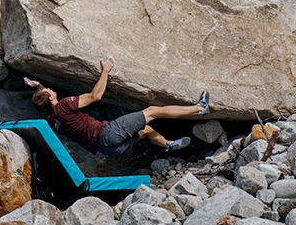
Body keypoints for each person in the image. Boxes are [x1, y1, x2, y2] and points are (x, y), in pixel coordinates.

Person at [25, 56, 210, 157]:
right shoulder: (64, 105)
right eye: (48, 90)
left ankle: (169, 144)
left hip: (108, 150)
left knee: (145, 130)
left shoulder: (50, 120)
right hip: (108, 133)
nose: (51, 88)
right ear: (50, 98)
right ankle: (200, 108)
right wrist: (106, 69)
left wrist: (36, 86)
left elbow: (42, 100)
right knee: (152, 111)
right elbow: (95, 96)